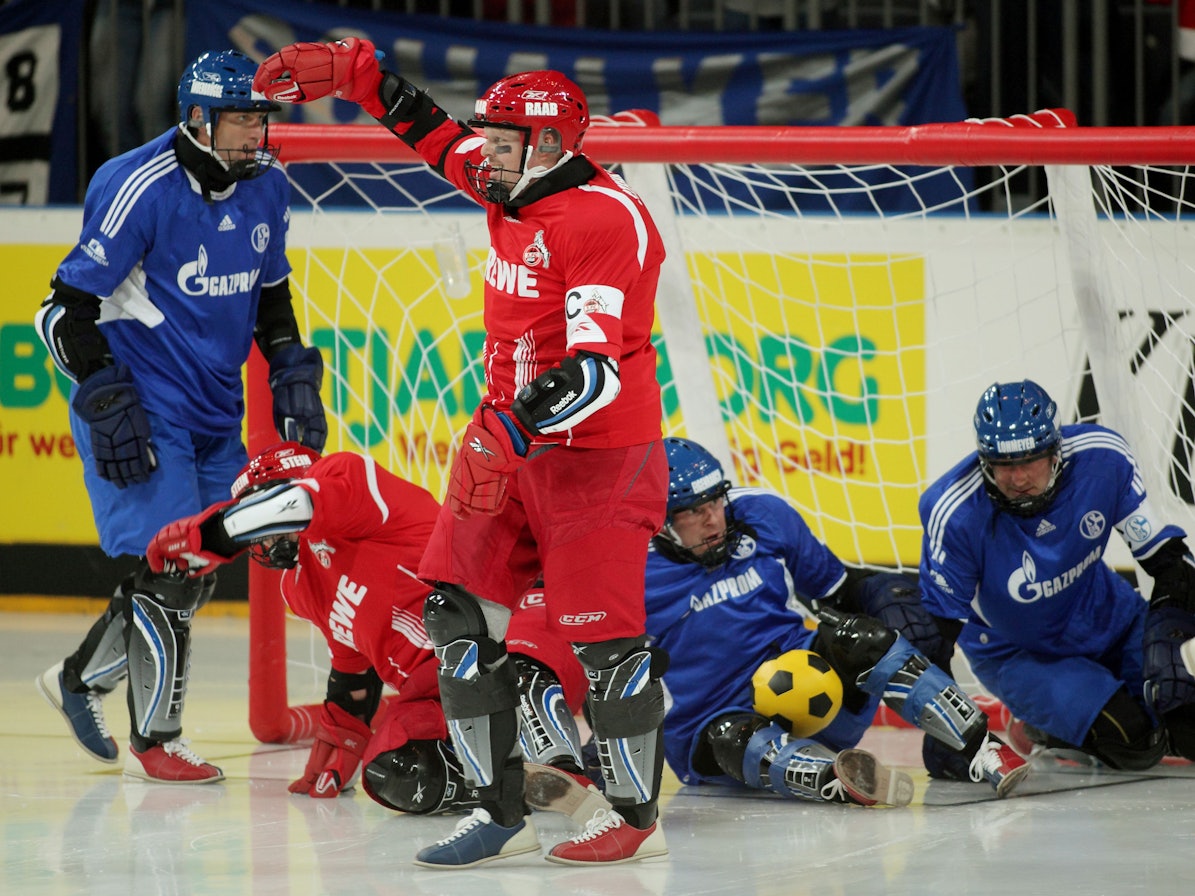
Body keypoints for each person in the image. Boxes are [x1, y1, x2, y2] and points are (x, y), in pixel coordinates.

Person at [254, 40, 670, 867]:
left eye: (505, 140)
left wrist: (513, 433)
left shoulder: (603, 220)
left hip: (594, 460)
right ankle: (496, 808)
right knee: (453, 616)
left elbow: (593, 372)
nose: (488, 154)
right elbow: (436, 136)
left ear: (547, 145)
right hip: (504, 445)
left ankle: (631, 817)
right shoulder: (511, 179)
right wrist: (361, 78)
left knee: (606, 648)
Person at [34, 49, 326, 784]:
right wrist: (103, 394)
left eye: (261, 120)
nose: (254, 136)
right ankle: (157, 738)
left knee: (198, 566)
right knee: (169, 567)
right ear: (195, 119)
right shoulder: (137, 185)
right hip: (141, 405)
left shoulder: (268, 189)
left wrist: (290, 365)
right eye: (239, 121)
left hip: (214, 409)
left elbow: (270, 295)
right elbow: (61, 311)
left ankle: (78, 680)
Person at [145, 443, 607, 821]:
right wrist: (342, 729)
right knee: (392, 771)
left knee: (513, 668)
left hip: (506, 630)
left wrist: (209, 534)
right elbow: (351, 660)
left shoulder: (347, 480)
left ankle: (568, 773)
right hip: (439, 690)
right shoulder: (298, 585)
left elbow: (305, 503)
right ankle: (515, 784)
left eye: (257, 515)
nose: (257, 541)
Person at [646, 437, 1030, 802]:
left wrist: (893, 603)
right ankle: (838, 779)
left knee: (868, 637)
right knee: (734, 737)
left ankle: (981, 747)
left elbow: (839, 592)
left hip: (814, 690)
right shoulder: (630, 570)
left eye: (715, 501)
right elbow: (606, 668)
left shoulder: (763, 514)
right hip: (716, 728)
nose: (713, 519)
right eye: (694, 511)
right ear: (660, 520)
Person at [919, 379, 1195, 770]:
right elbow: (937, 635)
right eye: (1004, 465)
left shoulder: (1103, 458)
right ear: (985, 460)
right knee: (1135, 744)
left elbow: (1169, 563)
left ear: (1055, 451)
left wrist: (1171, 639)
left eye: (1030, 460)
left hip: (1112, 619)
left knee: (1187, 723)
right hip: (1016, 652)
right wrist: (940, 726)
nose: (1017, 479)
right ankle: (1038, 725)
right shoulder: (954, 512)